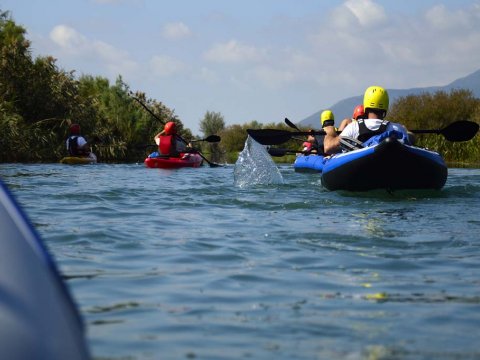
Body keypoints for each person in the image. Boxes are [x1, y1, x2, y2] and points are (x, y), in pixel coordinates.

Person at [323, 86, 410, 154]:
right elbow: (410, 141)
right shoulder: (397, 128)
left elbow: (328, 148)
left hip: (361, 168)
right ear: (386, 106)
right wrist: (408, 132)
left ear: (366, 105)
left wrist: (330, 133)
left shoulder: (353, 127)